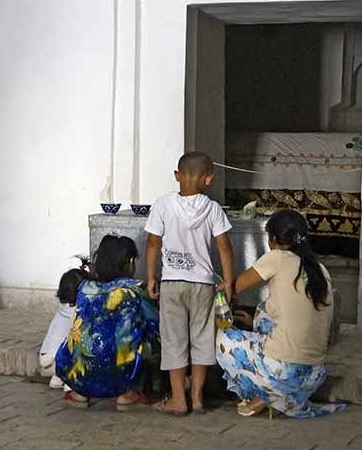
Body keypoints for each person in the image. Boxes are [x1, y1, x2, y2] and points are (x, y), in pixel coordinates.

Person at [216, 210, 346, 419]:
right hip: (314, 375)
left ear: (274, 239)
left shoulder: (277, 257)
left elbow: (234, 287)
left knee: (223, 338)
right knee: (267, 311)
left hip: (281, 370)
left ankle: (264, 394)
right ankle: (280, 396)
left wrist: (222, 290)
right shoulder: (320, 269)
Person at [145, 151, 234, 416]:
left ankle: (177, 399)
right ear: (209, 179)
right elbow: (225, 248)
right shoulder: (213, 208)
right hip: (203, 285)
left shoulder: (162, 205)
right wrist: (228, 281)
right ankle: (196, 398)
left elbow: (152, 243)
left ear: (176, 176)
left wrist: (151, 276)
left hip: (172, 283)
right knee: (202, 339)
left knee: (174, 340)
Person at [55, 235, 158, 411]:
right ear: (129, 262)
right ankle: (127, 394)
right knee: (149, 334)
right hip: (120, 365)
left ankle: (80, 393)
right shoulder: (136, 289)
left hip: (79, 366)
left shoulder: (85, 288)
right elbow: (155, 321)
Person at [38, 265, 87, 389]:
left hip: (45, 358)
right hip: (58, 360)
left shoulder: (62, 309)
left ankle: (57, 378)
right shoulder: (76, 311)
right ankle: (70, 383)